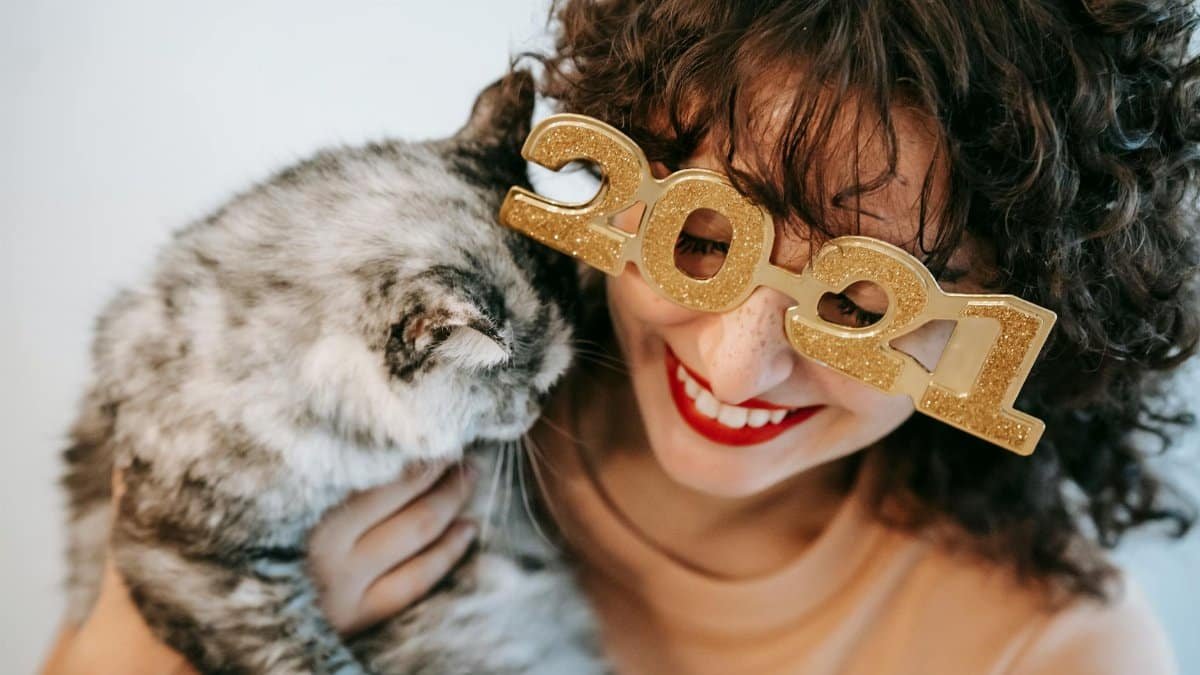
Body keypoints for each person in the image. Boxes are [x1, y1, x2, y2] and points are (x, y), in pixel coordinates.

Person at [42, 0, 1199, 673]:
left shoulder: (1053, 656)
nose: (737, 362)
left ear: (1031, 320)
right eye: (708, 237)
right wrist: (181, 638)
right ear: (622, 158)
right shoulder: (405, 382)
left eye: (859, 305)